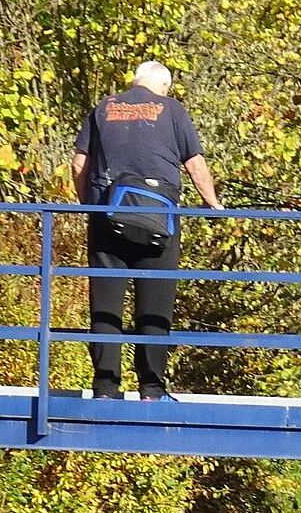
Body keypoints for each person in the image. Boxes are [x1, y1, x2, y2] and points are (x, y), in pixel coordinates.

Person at [70, 61, 222, 400]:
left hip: (107, 218)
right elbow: (195, 164)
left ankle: (105, 388)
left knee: (105, 306)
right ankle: (151, 389)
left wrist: (90, 208)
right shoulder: (171, 109)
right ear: (164, 87)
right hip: (158, 222)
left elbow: (79, 164)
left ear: (134, 82)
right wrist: (212, 203)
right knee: (155, 305)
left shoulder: (104, 107)